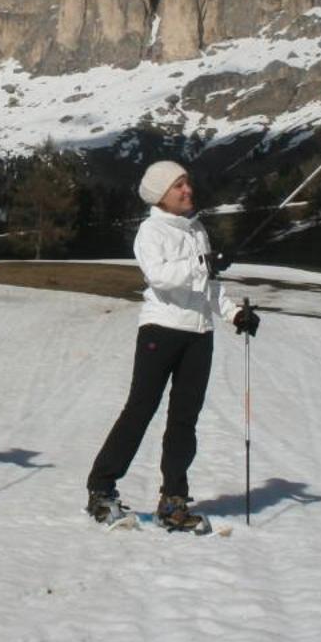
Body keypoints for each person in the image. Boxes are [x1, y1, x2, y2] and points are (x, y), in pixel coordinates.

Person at [85, 160, 259, 532]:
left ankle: (173, 499)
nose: (187, 190)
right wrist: (203, 263)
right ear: (161, 194)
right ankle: (101, 488)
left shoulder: (197, 230)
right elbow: (160, 277)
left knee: (184, 420)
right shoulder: (151, 231)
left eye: (187, 183)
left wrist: (233, 315)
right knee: (140, 410)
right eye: (178, 185)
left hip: (199, 335)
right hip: (161, 330)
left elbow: (210, 286)